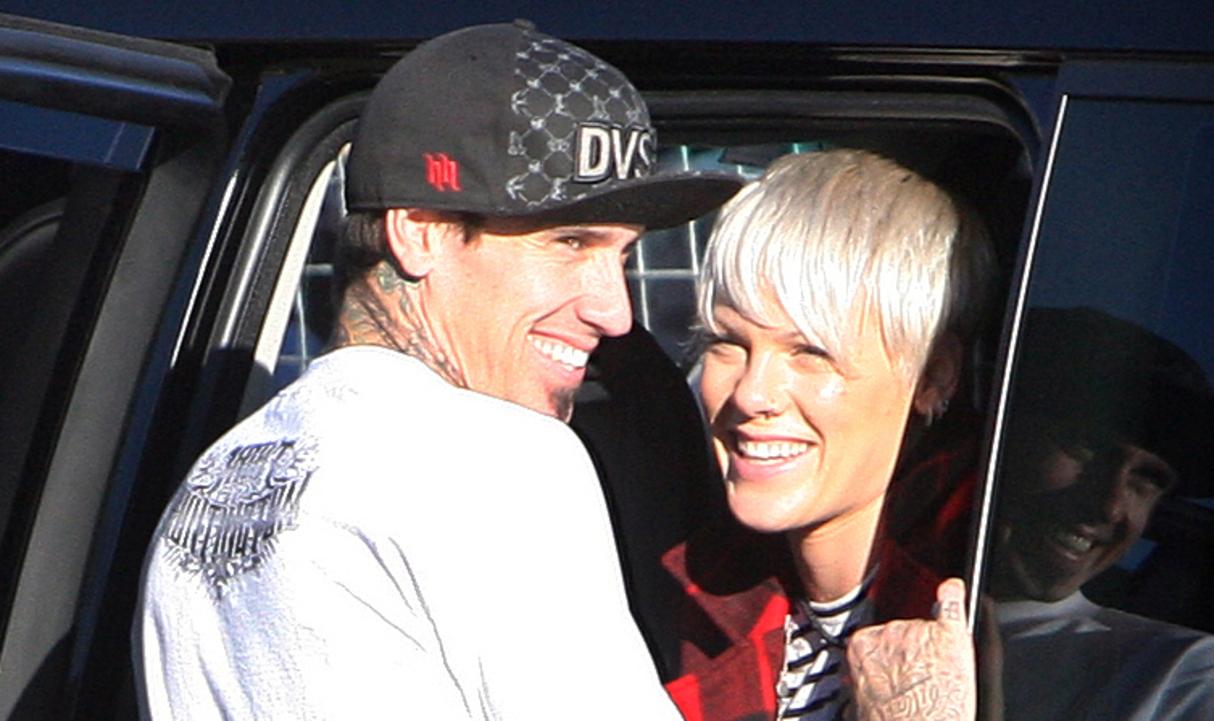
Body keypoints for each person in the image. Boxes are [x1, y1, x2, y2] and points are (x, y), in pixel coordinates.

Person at [132, 22, 743, 720]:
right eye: (570, 242)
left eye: (625, 256)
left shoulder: (213, 484)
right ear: (420, 229)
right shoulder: (500, 459)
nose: (616, 312)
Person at [660, 149, 994, 721]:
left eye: (811, 352)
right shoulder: (684, 600)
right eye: (727, 342)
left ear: (934, 376)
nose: (750, 394)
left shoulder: (984, 624)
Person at [986, 306, 1214, 721]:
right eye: (1087, 447)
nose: (1109, 505)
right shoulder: (867, 589)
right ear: (998, 430)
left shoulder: (1177, 674)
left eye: (1147, 480)